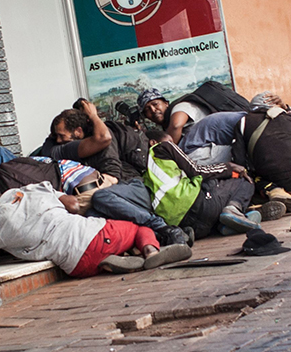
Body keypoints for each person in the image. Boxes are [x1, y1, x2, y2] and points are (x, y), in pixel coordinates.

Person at [139, 86, 291, 201]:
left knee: (266, 153)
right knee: (254, 158)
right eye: (147, 110)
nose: (153, 110)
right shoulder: (248, 121)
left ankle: (285, 190)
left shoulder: (182, 108)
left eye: (155, 104)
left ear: (165, 102)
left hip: (205, 152)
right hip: (198, 155)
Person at [43, 101, 190, 247]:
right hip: (122, 197)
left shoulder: (104, 139)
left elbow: (112, 177)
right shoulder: (79, 146)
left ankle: (163, 228)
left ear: (78, 131)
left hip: (136, 188)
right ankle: (159, 237)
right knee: (90, 216)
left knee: (100, 197)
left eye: (62, 136)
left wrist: (93, 115)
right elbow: (49, 148)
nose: (58, 141)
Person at [0, 183, 191, 276]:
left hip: (75, 266)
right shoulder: (33, 189)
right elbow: (74, 205)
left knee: (95, 248)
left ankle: (107, 263)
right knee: (139, 228)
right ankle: (151, 251)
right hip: (95, 235)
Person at [143, 130, 280, 239]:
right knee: (244, 179)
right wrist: (228, 167)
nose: (175, 145)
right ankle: (235, 210)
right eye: (171, 141)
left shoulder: (143, 171)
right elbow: (196, 170)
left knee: (212, 190)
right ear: (153, 142)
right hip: (198, 205)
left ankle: (225, 225)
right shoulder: (163, 147)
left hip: (185, 226)